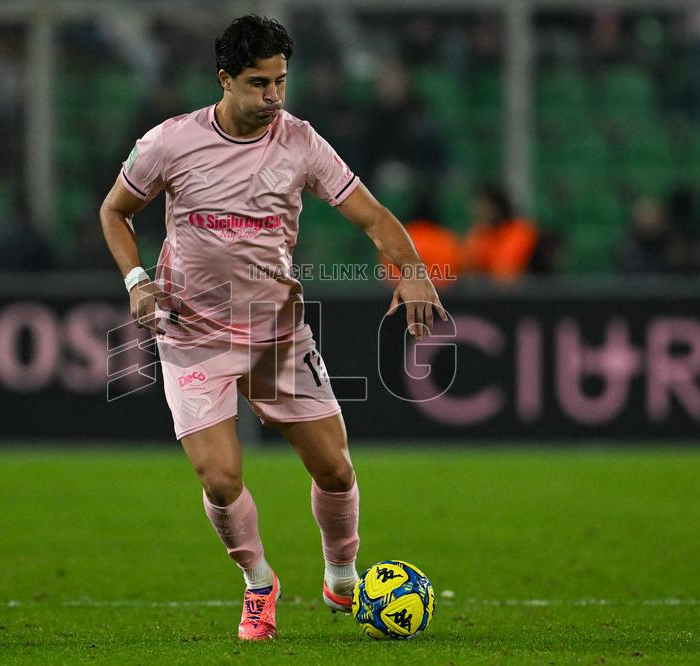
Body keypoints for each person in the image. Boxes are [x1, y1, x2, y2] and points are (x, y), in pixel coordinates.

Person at [99, 15, 446, 641]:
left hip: (277, 335)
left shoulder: (302, 142)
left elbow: (372, 217)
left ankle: (342, 575)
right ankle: (259, 583)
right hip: (191, 332)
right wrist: (136, 280)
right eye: (259, 84)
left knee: (336, 470)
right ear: (224, 79)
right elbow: (115, 212)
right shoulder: (169, 143)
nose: (274, 97)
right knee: (220, 476)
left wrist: (414, 270)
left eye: (281, 81)